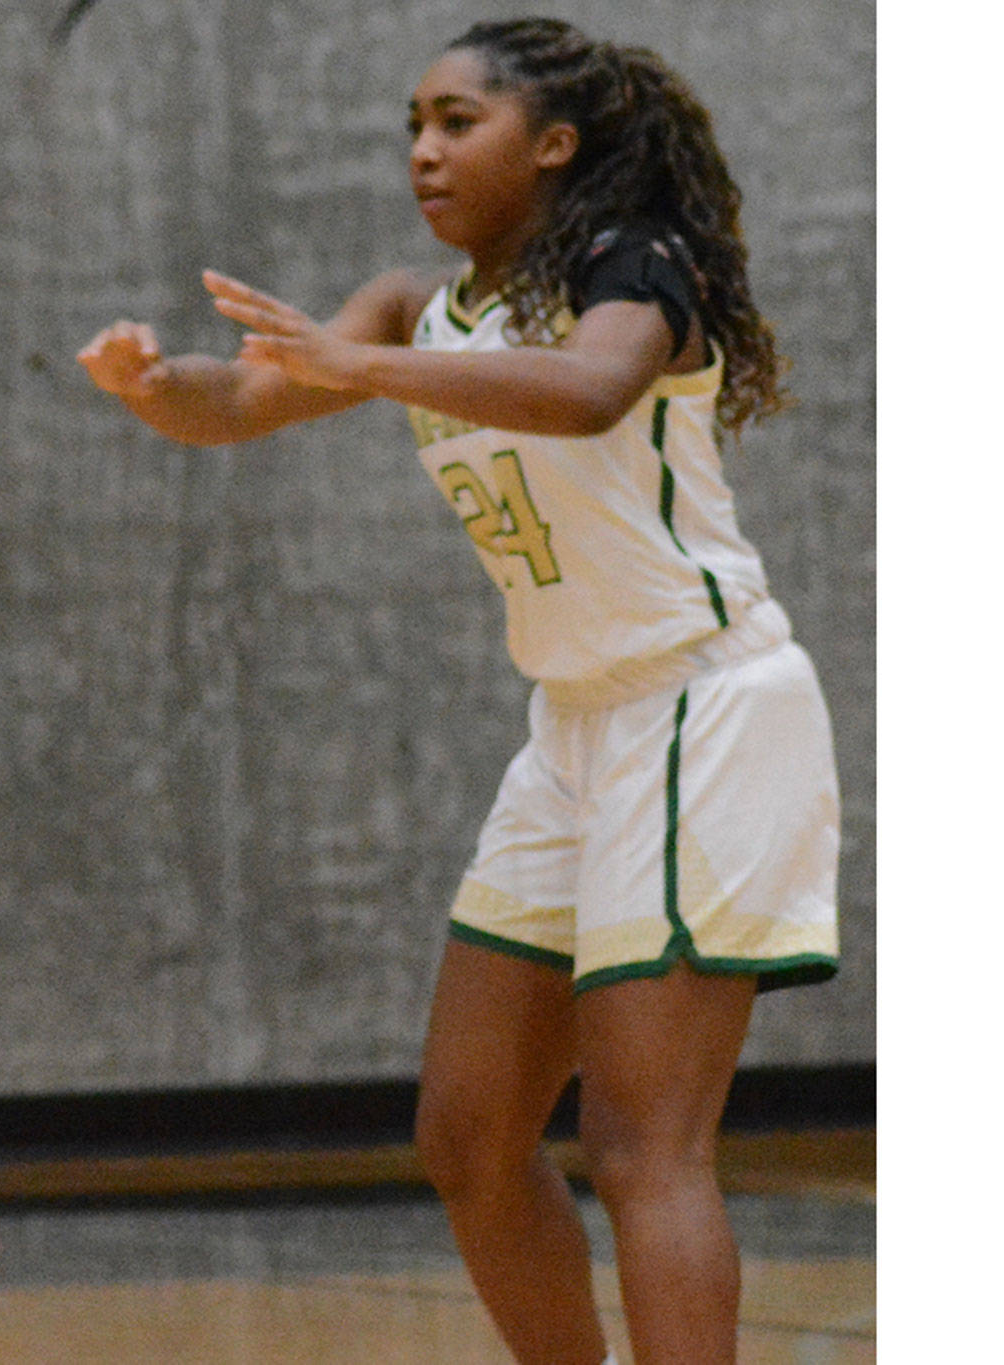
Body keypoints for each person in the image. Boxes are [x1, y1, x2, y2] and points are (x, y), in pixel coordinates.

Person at [77, 17, 838, 1364]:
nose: (423, 152)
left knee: (641, 1143)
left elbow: (590, 390)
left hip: (700, 708)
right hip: (574, 725)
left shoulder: (633, 266)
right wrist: (149, 386)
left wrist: (359, 366)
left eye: (456, 121)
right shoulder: (409, 307)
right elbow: (238, 401)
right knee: (470, 1134)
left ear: (552, 144)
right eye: (412, 128)